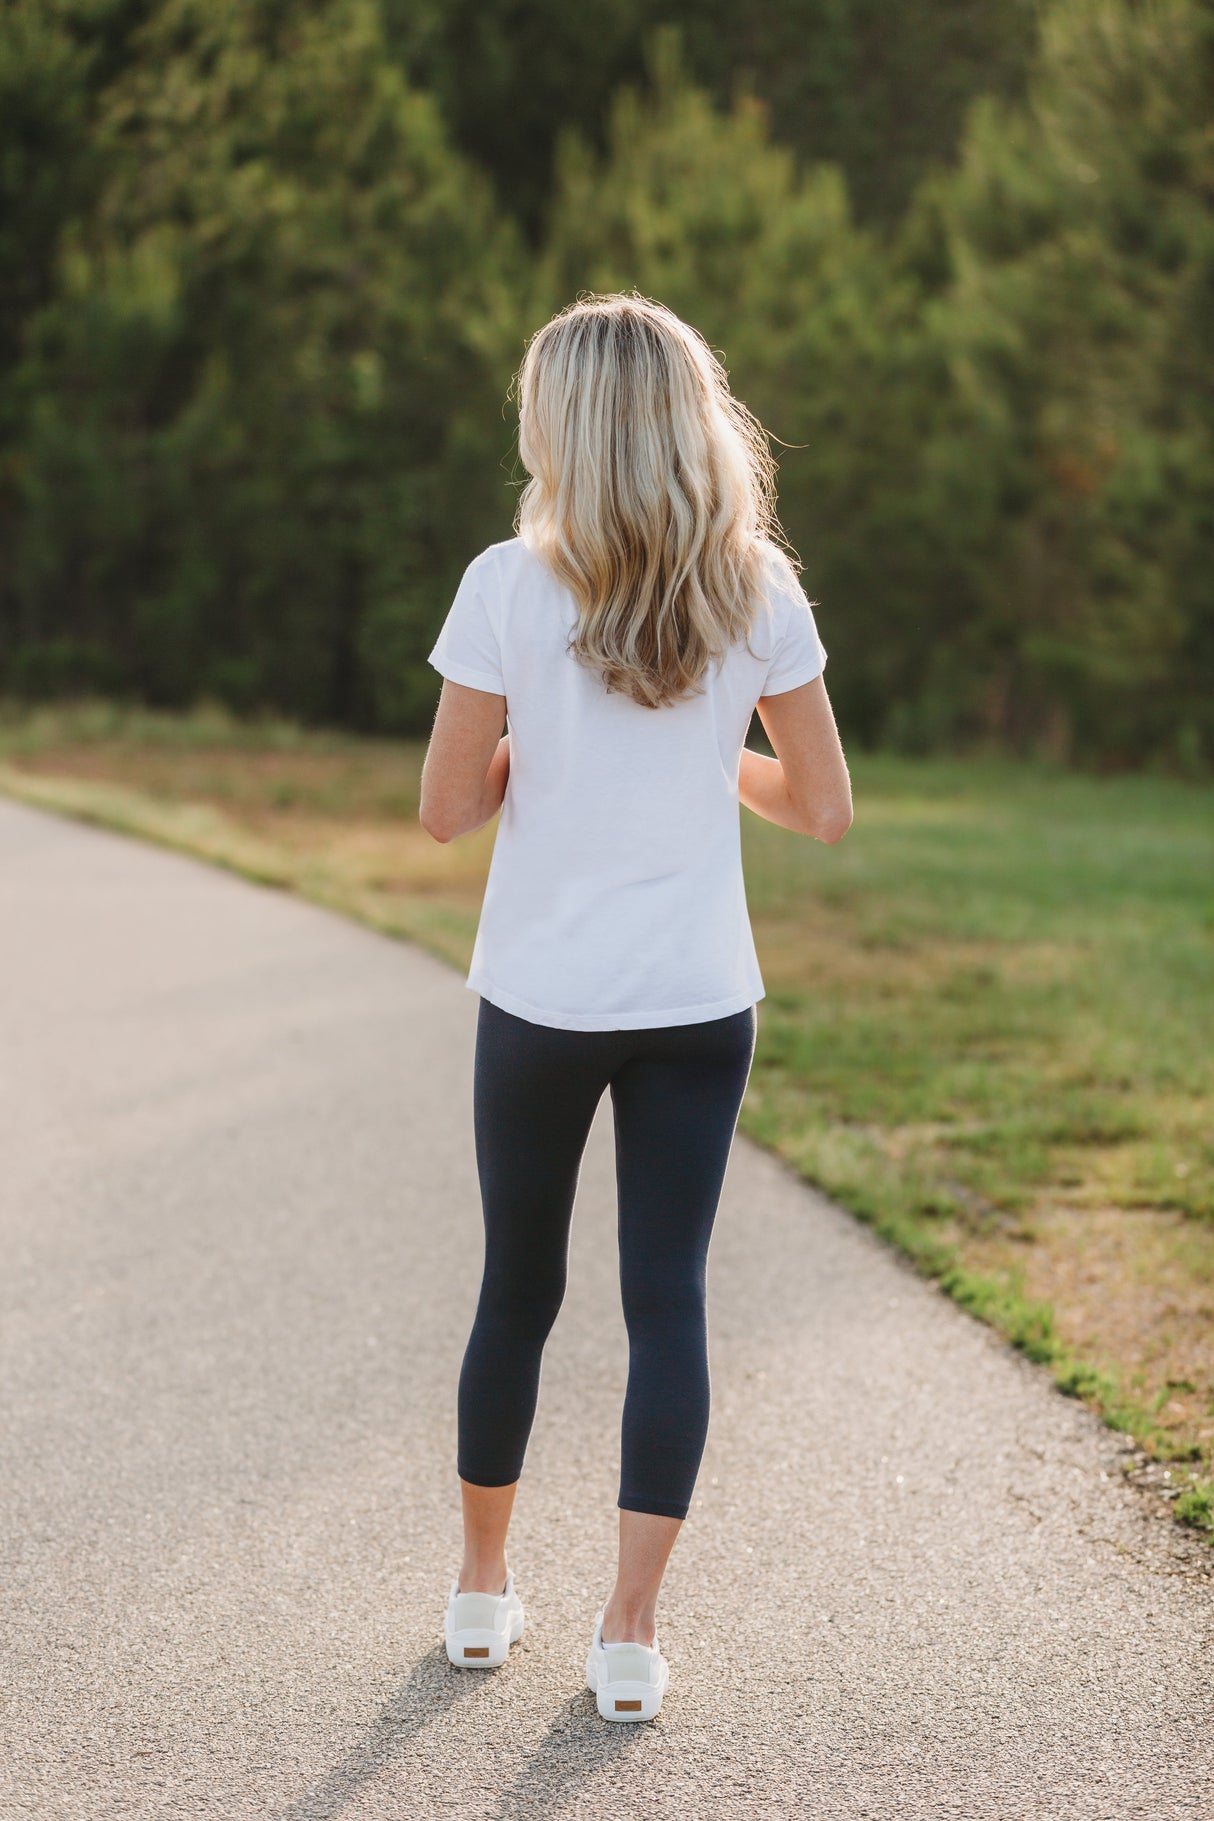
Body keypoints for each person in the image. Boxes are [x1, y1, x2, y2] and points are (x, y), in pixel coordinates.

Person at [419, 290, 852, 1723]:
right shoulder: (758, 590)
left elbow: (438, 814)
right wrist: (704, 763)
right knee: (666, 1299)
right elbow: (825, 808)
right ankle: (627, 1634)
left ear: (563, 426)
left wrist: (524, 761)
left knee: (517, 1288)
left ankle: (481, 1598)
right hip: (695, 997)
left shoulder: (505, 582)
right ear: (689, 418)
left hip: (542, 998)